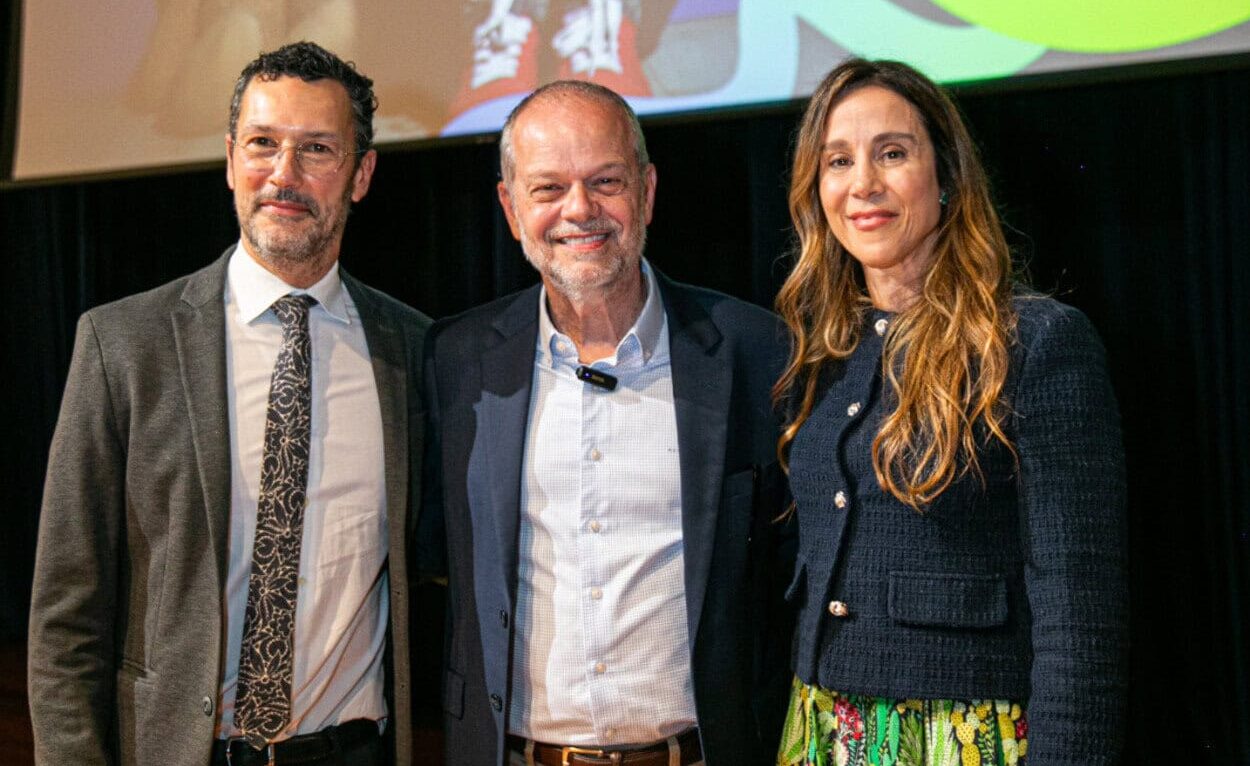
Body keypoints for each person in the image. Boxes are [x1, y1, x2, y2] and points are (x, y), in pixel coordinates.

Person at [28, 42, 430, 766]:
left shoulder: (414, 354)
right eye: (262, 144)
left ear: (361, 174)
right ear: (228, 159)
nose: (284, 174)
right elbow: (65, 620)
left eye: (317, 149)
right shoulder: (123, 346)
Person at [422, 80, 792, 766]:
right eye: (548, 189)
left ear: (647, 192)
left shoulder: (754, 352)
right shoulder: (456, 361)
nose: (579, 210)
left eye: (605, 182)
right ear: (509, 207)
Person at [772, 58, 1127, 765]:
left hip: (965, 741)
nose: (863, 184)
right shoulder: (822, 353)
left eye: (893, 153)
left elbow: (1080, 619)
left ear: (948, 176)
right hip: (819, 734)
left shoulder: (1033, 341)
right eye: (838, 160)